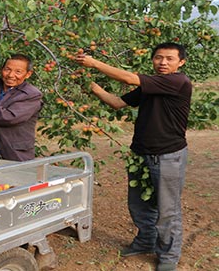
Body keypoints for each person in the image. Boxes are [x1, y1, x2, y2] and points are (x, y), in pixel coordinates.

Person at [75, 42, 191, 271]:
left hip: (167, 155)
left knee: (167, 209)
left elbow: (129, 78)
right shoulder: (151, 86)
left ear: (181, 62)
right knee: (139, 204)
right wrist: (93, 87)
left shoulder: (178, 82)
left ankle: (168, 257)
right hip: (140, 153)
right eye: (158, 57)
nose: (163, 62)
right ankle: (145, 240)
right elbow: (118, 103)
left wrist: (93, 63)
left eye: (169, 58)